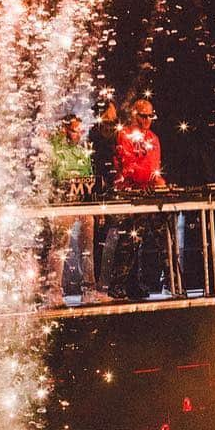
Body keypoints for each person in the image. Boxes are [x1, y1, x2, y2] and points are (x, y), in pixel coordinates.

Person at [108, 98, 181, 299]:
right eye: (143, 116)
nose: (147, 120)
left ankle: (173, 283)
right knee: (131, 241)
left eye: (150, 115)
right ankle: (119, 284)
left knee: (165, 239)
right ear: (134, 115)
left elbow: (154, 167)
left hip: (150, 194)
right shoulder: (124, 136)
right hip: (132, 195)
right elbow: (128, 167)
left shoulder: (154, 138)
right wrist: (152, 178)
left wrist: (160, 183)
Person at [42, 114, 106, 306]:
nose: (79, 134)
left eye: (80, 131)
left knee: (88, 246)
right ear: (64, 130)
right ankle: (54, 291)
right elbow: (54, 177)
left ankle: (89, 289)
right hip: (62, 205)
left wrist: (97, 208)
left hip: (82, 204)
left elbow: (90, 177)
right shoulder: (52, 148)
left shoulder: (82, 150)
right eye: (75, 130)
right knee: (60, 246)